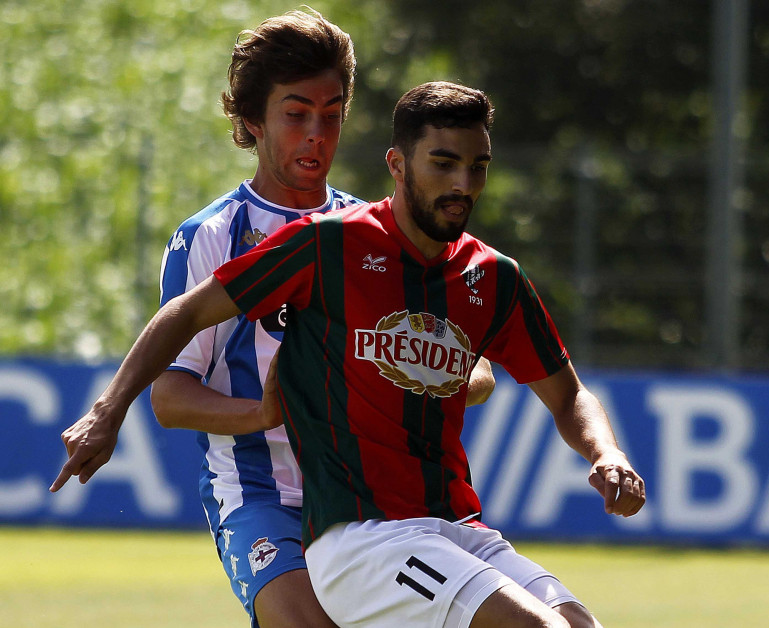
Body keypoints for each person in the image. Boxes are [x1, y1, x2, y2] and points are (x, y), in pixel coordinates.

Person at [53, 81, 645, 628]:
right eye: (443, 164)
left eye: (477, 166)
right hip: (363, 542)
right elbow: (186, 311)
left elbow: (566, 394)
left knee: (578, 625)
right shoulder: (326, 245)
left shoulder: (494, 277)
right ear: (396, 163)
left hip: (458, 527)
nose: (463, 185)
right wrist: (107, 412)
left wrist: (607, 451)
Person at [49, 10, 495, 628]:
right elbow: (172, 399)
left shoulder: (378, 235)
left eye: (332, 113)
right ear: (252, 121)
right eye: (296, 113)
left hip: (365, 496)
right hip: (260, 496)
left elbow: (475, 371)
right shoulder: (212, 236)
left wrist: (415, 374)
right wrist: (264, 412)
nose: (317, 132)